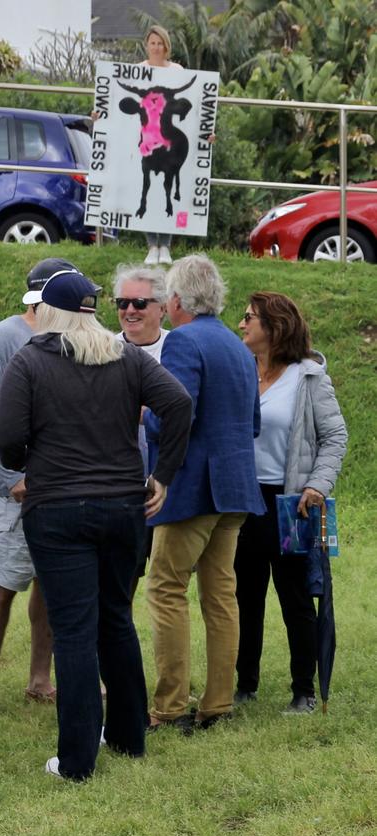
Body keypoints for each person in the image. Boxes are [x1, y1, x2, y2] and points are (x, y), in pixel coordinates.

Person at [0, 268, 192, 781]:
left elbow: (8, 438)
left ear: (46, 312)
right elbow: (179, 404)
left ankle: (77, 760)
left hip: (58, 508)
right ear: (92, 308)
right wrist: (162, 475)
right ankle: (128, 736)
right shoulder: (126, 354)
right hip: (125, 506)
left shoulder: (31, 359)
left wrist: (33, 453)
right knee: (116, 621)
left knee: (75, 631)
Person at [144, 254, 265, 734]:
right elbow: (251, 423)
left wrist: (145, 417)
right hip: (236, 487)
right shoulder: (238, 347)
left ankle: (170, 706)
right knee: (221, 594)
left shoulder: (183, 341)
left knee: (165, 588)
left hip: (194, 487)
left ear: (175, 300)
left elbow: (178, 414)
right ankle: (218, 702)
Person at [0, 259, 79, 713]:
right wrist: (14, 475)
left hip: (60, 485)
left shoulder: (70, 338)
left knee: (51, 584)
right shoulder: (4, 338)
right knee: (6, 581)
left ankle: (39, 679)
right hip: (16, 488)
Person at [234, 292, 347, 714]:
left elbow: (335, 436)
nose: (242, 324)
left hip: (292, 503)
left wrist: (317, 486)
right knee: (244, 596)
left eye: (249, 318)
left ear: (274, 326)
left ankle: (304, 690)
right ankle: (245, 684)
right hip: (243, 500)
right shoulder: (241, 370)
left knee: (295, 597)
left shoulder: (308, 376)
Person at [113, 264, 169, 592]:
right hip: (116, 484)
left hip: (165, 483)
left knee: (166, 584)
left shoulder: (179, 349)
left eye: (139, 303)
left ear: (162, 307)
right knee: (120, 581)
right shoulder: (100, 347)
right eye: (123, 303)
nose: (130, 311)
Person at [139, 25, 183, 266]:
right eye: (152, 43)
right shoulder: (137, 71)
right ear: (147, 45)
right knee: (144, 183)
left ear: (166, 46)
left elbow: (193, 105)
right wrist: (99, 114)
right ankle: (151, 245)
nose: (156, 47)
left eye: (160, 43)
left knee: (169, 182)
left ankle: (165, 245)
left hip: (168, 137)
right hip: (146, 137)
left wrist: (206, 132)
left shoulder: (177, 71)